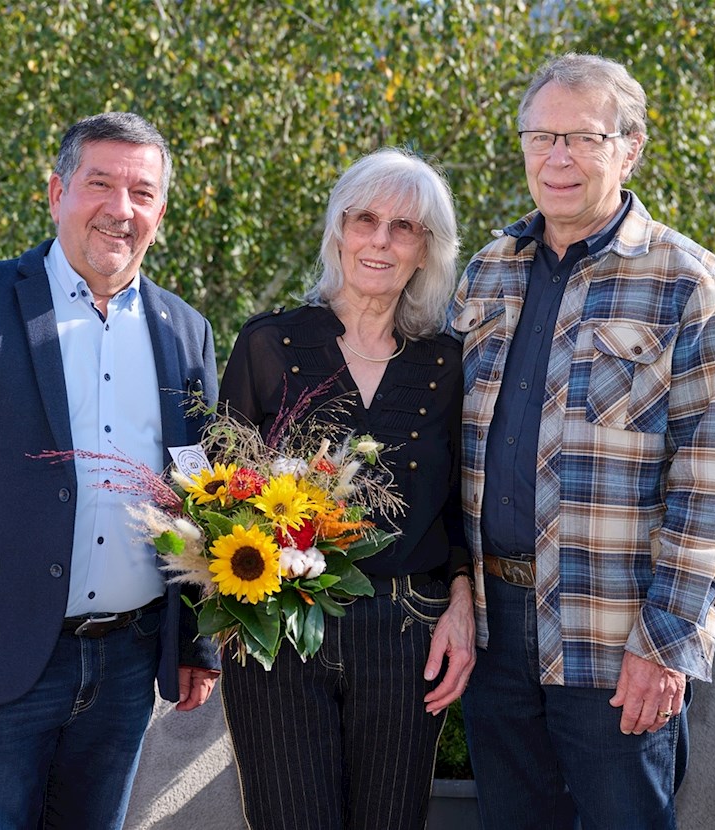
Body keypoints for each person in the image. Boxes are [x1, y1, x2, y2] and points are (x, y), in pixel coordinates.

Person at [0, 111, 221, 829]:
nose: (121, 209)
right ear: (56, 191)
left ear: (162, 210)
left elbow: (199, 495)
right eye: (101, 184)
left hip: (128, 662)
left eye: (142, 192)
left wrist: (196, 642)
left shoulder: (186, 331)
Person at [450, 53, 715, 829]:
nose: (556, 159)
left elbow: (708, 484)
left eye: (580, 138)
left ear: (629, 147)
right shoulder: (485, 274)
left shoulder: (690, 281)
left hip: (613, 637)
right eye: (540, 137)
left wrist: (666, 644)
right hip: (492, 625)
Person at [217, 147, 475, 830]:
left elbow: (460, 510)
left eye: (404, 227)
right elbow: (217, 495)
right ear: (337, 230)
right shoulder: (268, 343)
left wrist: (460, 610)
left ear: (426, 251)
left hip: (407, 632)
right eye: (365, 219)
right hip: (279, 629)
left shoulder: (447, 364)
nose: (380, 240)